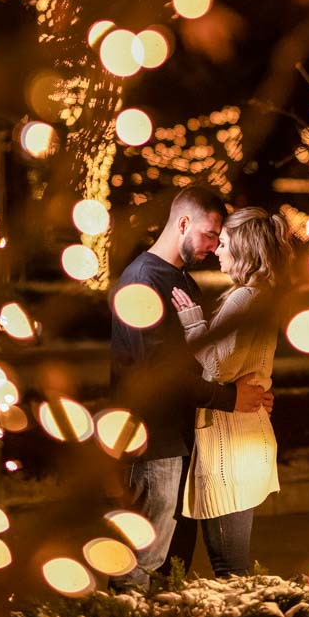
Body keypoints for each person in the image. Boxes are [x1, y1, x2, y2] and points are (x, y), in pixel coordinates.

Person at [109, 185, 272, 589]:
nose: (215, 246)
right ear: (183, 223)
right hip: (153, 442)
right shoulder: (144, 281)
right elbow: (158, 374)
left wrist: (245, 387)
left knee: (168, 567)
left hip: (180, 443)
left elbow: (202, 362)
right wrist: (231, 398)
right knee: (141, 563)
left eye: (220, 238)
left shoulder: (181, 280)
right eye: (209, 235)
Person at [171, 206, 293, 577]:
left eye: (224, 244)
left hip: (229, 448)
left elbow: (219, 368)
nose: (218, 251)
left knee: (229, 568)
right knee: (233, 565)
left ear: (244, 249)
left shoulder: (245, 299)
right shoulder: (264, 297)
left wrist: (193, 323)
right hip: (247, 437)